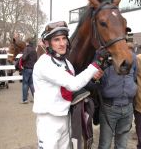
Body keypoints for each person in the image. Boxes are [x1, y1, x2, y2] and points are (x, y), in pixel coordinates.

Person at [32, 20, 106, 149]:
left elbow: (73, 86)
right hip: (48, 120)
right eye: (56, 40)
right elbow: (73, 84)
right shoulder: (44, 63)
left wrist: (92, 79)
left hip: (65, 116)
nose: (62, 43)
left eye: (64, 38)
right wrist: (95, 64)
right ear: (47, 43)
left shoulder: (66, 63)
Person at [97, 41, 137, 149]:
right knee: (105, 144)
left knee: (122, 145)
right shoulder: (103, 58)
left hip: (128, 108)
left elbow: (134, 77)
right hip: (109, 108)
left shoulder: (132, 57)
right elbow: (96, 81)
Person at [20, 37, 37, 104]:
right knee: (32, 84)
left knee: (25, 84)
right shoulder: (34, 49)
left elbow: (24, 58)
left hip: (27, 68)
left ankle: (24, 99)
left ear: (27, 42)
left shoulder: (26, 49)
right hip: (33, 68)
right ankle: (35, 98)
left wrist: (22, 58)